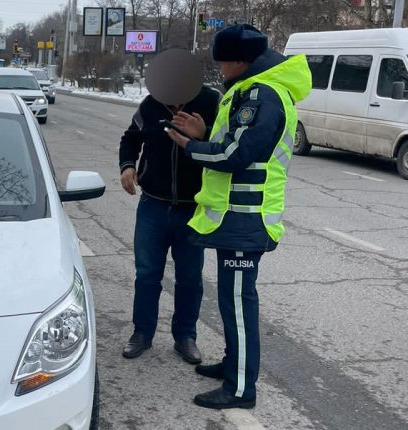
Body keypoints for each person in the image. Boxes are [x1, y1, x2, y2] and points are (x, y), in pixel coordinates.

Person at [166, 24, 312, 409]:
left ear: (238, 60)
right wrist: (203, 133)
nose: (219, 69)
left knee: (239, 304)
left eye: (221, 61)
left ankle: (241, 388)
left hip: (247, 220)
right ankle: (234, 365)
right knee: (232, 301)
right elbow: (232, 142)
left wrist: (191, 146)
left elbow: (235, 156)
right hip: (234, 220)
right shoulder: (250, 90)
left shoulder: (263, 96)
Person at [119, 65, 220, 362]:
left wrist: (204, 134)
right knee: (147, 274)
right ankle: (142, 333)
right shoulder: (151, 105)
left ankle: (186, 337)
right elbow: (130, 138)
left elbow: (226, 145)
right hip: (153, 204)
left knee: (190, 278)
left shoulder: (211, 103)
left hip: (193, 206)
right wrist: (127, 165)